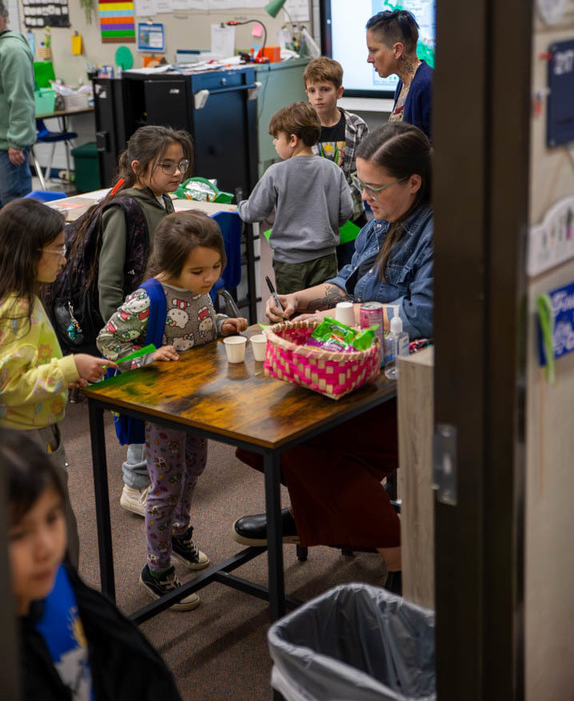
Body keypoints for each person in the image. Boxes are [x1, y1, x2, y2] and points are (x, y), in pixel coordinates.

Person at [232, 123, 433, 583]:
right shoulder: (382, 219)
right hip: (359, 370)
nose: (365, 197)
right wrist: (303, 300)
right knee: (257, 431)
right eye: (360, 185)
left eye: (374, 187)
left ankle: (398, 551)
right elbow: (347, 280)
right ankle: (319, 512)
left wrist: (343, 318)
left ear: (413, 182)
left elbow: (423, 316)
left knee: (295, 442)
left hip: (406, 386)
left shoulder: (437, 232)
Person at [97, 210, 248, 609]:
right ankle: (156, 567)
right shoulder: (147, 297)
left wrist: (221, 324)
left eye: (216, 267)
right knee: (165, 486)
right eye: (198, 271)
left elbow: (197, 324)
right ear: (170, 265)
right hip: (164, 408)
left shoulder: (201, 286)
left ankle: (179, 534)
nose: (209, 278)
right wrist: (147, 355)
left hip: (199, 400)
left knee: (195, 468)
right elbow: (108, 342)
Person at [52, 125, 194, 519]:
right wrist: (121, 336)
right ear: (138, 167)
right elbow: (110, 282)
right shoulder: (125, 208)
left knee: (159, 397)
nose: (177, 172)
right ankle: (134, 485)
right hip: (130, 326)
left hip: (157, 316)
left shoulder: (162, 201)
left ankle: (156, 473)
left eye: (180, 163)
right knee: (140, 402)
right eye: (166, 165)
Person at [1, 430, 184, 701]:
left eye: (51, 518)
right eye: (18, 535)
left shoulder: (59, 583)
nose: (46, 547)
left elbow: (136, 668)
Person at [0, 199, 116, 566]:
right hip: (24, 438)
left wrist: (67, 374)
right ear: (28, 253)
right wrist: (67, 369)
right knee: (51, 538)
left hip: (31, 430)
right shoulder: (15, 310)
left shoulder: (24, 297)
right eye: (58, 249)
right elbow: (9, 385)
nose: (64, 259)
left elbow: (27, 364)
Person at [237, 101, 354, 295]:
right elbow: (346, 211)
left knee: (292, 314)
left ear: (292, 139)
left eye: (276, 138)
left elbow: (254, 212)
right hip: (326, 258)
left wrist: (240, 206)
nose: (274, 142)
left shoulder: (276, 172)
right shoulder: (333, 169)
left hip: (289, 263)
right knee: (322, 311)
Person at [304, 56, 369, 266]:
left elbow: (362, 174)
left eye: (325, 89)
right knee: (321, 275)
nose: (318, 97)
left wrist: (342, 205)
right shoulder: (302, 130)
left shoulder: (357, 127)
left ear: (339, 92)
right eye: (312, 91)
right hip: (316, 220)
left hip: (351, 215)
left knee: (352, 269)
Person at [366, 10, 433, 141]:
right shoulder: (403, 84)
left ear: (397, 50)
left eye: (373, 50)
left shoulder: (427, 85)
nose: (369, 59)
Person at [0, 0, 36, 207]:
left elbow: (21, 98)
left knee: (14, 213)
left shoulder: (11, 49)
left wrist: (17, 141)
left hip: (8, 150)